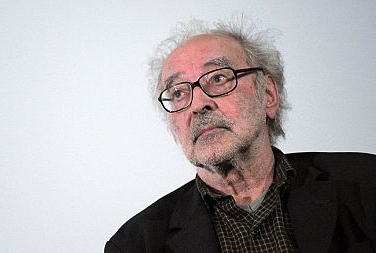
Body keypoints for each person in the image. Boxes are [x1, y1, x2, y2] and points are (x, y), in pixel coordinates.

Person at [105, 17, 376, 253]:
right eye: (178, 93)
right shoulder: (135, 244)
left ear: (268, 95)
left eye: (219, 78)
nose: (198, 104)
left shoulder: (367, 182)